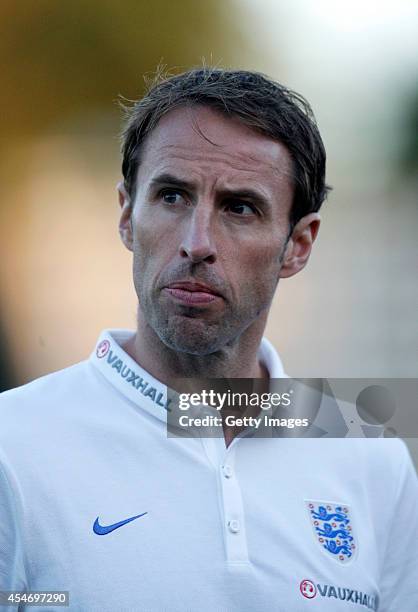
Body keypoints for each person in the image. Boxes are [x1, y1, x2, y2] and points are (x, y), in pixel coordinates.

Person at [0, 67, 417, 611]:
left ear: (298, 244)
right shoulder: (14, 444)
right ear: (127, 215)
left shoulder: (371, 456)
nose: (196, 243)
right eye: (172, 196)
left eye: (239, 208)